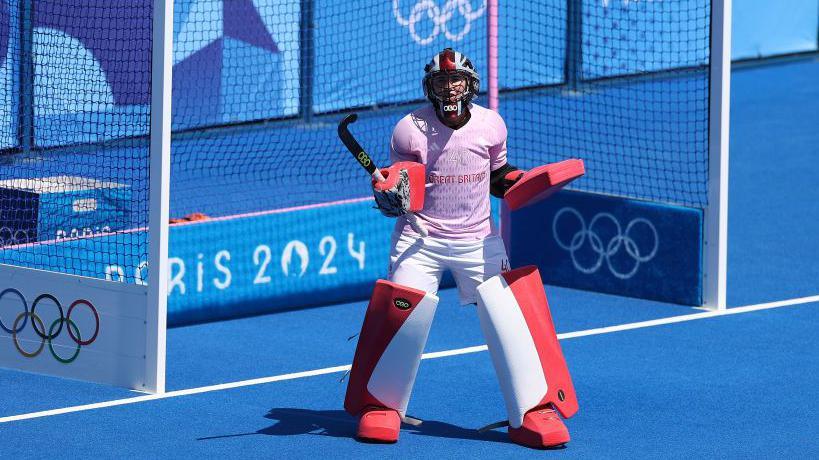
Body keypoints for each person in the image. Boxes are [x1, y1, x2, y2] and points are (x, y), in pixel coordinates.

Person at [343, 48, 578, 449]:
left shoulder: (492, 125)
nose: (449, 87)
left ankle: (532, 412)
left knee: (510, 317)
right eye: (441, 81)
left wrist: (524, 182)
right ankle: (379, 406)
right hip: (421, 238)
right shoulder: (409, 129)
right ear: (429, 88)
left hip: (478, 240)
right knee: (402, 311)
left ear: (471, 86)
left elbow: (497, 176)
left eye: (456, 81)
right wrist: (390, 194)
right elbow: (406, 185)